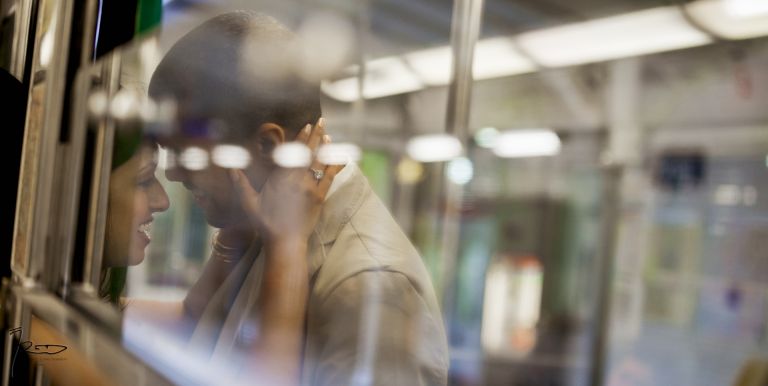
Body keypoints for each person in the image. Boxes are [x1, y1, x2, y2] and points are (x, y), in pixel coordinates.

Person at [148, 10, 449, 386]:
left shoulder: (368, 283)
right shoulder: (266, 217)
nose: (173, 174)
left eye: (184, 153)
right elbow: (199, 325)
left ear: (267, 145)